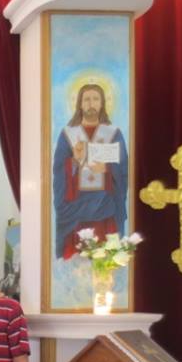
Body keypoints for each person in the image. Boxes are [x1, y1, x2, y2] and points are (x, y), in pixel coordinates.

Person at [52, 83, 128, 260]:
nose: (91, 103)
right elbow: (58, 171)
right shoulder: (67, 135)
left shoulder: (114, 134)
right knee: (77, 261)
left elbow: (124, 169)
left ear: (102, 103)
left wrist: (107, 169)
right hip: (75, 211)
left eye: (95, 99)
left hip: (105, 208)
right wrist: (74, 162)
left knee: (105, 260)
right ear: (79, 103)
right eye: (86, 99)